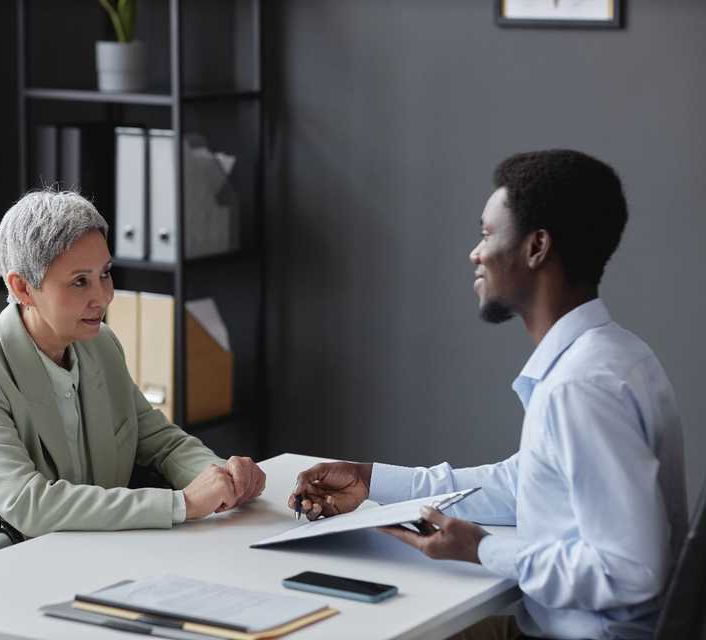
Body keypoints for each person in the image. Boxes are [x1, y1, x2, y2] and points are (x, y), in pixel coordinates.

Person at [288, 150, 687, 639]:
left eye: (486, 233)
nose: (475, 254)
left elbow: (631, 572)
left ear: (536, 247)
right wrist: (372, 482)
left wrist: (481, 549)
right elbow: (525, 486)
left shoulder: (581, 387)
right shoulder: (617, 354)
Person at [0, 190, 265, 580]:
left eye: (104, 274)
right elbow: (30, 504)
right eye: (79, 282)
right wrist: (181, 505)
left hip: (63, 565)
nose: (103, 296)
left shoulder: (100, 346)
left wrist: (222, 477)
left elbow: (162, 442)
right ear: (22, 288)